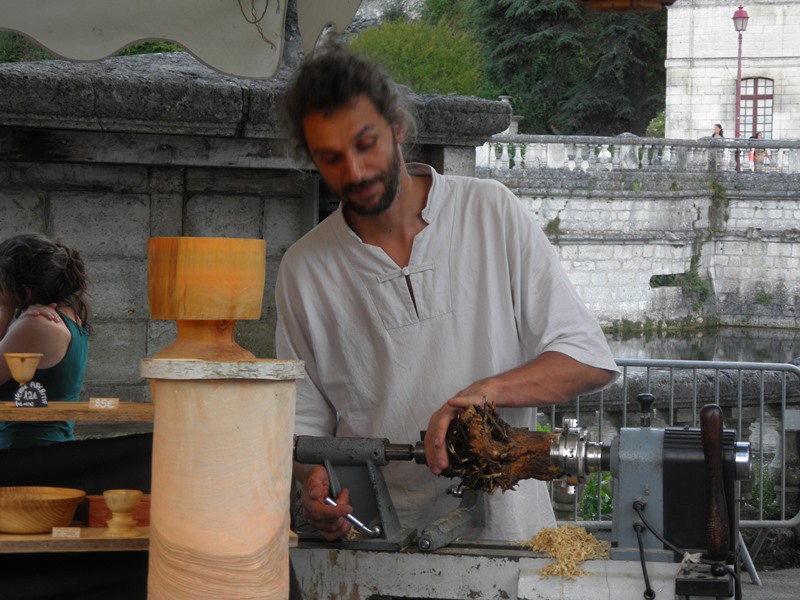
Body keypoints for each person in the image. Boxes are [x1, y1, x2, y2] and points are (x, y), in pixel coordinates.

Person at [275, 42, 619, 543]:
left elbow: (587, 358)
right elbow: (304, 430)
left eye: (365, 143)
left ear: (397, 127)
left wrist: (483, 396)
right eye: (330, 158)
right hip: (377, 546)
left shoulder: (490, 213)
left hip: (508, 538)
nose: (354, 171)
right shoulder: (304, 269)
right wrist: (315, 484)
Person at [0, 233, 91, 449]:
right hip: (48, 452)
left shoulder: (36, 325)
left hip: (22, 458)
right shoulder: (71, 317)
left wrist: (6, 309)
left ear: (25, 292)